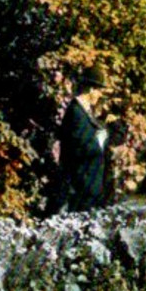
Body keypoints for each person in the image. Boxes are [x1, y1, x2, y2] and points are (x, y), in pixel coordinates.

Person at [55, 66, 112, 212]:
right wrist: (99, 140)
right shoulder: (76, 113)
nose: (100, 95)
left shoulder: (84, 113)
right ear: (91, 89)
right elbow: (78, 150)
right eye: (99, 90)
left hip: (87, 189)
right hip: (79, 190)